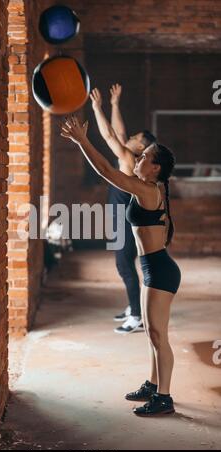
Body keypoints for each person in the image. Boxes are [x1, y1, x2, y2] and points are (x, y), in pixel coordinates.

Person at [61, 116, 181, 417]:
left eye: (143, 157)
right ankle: (153, 385)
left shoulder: (147, 191)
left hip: (160, 271)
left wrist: (82, 141)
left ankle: (164, 397)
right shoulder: (148, 188)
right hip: (152, 268)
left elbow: (106, 171)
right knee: (151, 332)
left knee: (158, 336)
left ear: (155, 168)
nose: (137, 160)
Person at [90, 84, 156, 334]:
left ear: (140, 147)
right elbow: (119, 132)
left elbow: (109, 136)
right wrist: (115, 104)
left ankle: (137, 317)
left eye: (135, 138)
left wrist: (97, 108)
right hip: (125, 219)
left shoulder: (129, 160)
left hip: (125, 223)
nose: (129, 137)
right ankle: (133, 306)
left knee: (124, 266)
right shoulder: (132, 156)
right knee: (126, 263)